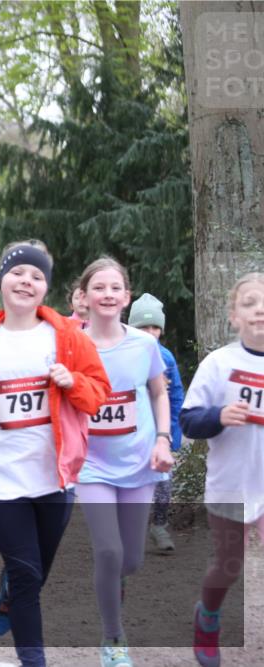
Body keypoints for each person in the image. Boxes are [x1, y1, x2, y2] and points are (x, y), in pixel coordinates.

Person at [0, 240, 110, 667]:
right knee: (27, 573)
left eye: (37, 276)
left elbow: (99, 394)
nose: (26, 281)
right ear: (2, 280)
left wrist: (72, 382)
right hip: (0, 473)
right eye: (18, 273)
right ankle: (34, 660)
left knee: (35, 573)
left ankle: (7, 598)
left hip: (55, 473)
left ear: (45, 288)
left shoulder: (68, 337)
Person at [75, 258, 174, 667]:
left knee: (130, 560)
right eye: (99, 287)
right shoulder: (70, 345)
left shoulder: (145, 345)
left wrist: (164, 439)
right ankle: (113, 638)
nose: (108, 294)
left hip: (139, 463)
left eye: (115, 288)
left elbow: (158, 393)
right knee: (109, 552)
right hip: (91, 465)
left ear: (126, 297)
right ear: (84, 296)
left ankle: (111, 591)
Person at [180, 272, 264, 667]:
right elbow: (189, 421)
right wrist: (219, 415)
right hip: (231, 485)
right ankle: (208, 617)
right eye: (250, 302)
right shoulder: (219, 364)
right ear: (234, 316)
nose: (260, 309)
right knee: (228, 566)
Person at [128, 292, 186, 552]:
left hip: (158, 433)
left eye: (155, 327)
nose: (150, 332)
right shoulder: (123, 353)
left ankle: (159, 525)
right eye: (143, 327)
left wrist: (172, 431)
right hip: (128, 432)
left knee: (163, 480)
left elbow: (176, 397)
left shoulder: (167, 358)